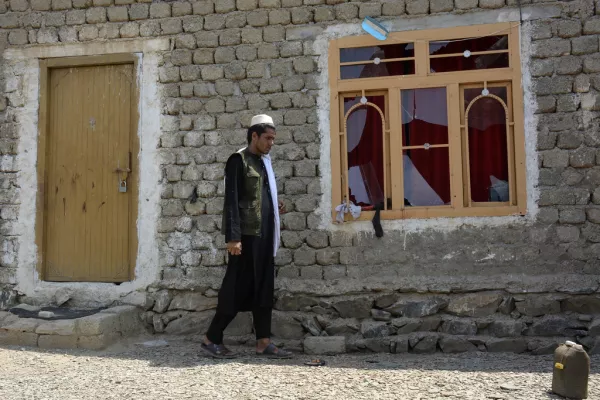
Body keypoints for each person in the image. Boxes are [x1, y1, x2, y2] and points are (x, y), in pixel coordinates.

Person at [201, 114, 292, 359]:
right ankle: (212, 338)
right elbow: (231, 201)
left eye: (273, 138)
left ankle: (263, 341)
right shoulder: (238, 160)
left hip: (265, 236)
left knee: (264, 289)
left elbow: (257, 197)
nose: (272, 143)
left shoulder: (264, 162)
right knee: (235, 288)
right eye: (268, 138)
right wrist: (233, 237)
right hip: (246, 238)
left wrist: (275, 205)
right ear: (254, 135)